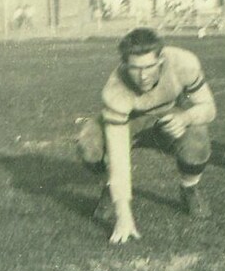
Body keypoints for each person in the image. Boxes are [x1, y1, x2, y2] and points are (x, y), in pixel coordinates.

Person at [77, 28, 216, 243]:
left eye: (149, 67)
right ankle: (109, 188)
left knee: (197, 139)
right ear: (124, 65)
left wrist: (186, 118)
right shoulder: (115, 90)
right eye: (135, 68)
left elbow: (209, 107)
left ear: (160, 59)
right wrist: (124, 217)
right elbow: (119, 154)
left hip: (167, 116)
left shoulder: (183, 63)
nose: (143, 76)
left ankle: (189, 188)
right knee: (90, 146)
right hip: (128, 121)